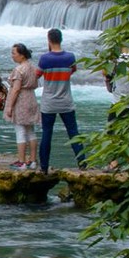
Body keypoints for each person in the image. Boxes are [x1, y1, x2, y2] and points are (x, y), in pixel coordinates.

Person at [36, 28, 86, 174]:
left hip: (49, 103)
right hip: (66, 101)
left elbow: (37, 75)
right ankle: (82, 163)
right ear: (61, 39)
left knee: (47, 134)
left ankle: (44, 167)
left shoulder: (45, 59)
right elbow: (73, 70)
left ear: (49, 40)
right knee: (73, 132)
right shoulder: (70, 57)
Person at [4, 43, 40, 170]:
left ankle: (22, 161)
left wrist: (9, 106)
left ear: (22, 55)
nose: (12, 56)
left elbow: (16, 89)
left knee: (20, 130)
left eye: (14, 53)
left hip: (21, 101)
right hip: (31, 98)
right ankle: (33, 160)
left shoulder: (19, 70)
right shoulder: (32, 68)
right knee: (31, 130)